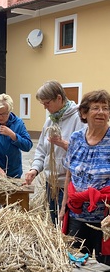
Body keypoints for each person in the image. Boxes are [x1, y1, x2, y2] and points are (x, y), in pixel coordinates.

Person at [59, 90, 110, 272]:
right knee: (77, 269)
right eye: (96, 107)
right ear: (84, 113)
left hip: (106, 221)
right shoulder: (76, 138)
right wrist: (63, 206)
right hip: (78, 216)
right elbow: (70, 173)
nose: (101, 112)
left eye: (106, 108)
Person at [24, 80, 85, 224]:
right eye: (43, 104)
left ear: (59, 98)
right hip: (51, 183)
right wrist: (35, 169)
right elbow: (41, 150)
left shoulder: (79, 118)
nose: (45, 108)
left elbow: (84, 151)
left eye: (47, 103)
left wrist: (63, 144)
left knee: (67, 225)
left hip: (68, 184)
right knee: (54, 221)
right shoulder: (50, 121)